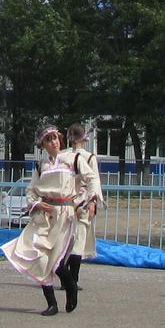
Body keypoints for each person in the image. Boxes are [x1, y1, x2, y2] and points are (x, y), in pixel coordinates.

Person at [1, 124, 100, 316]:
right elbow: (31, 190)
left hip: (65, 214)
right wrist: (37, 203)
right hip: (44, 216)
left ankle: (71, 285)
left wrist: (89, 198)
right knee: (40, 258)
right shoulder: (41, 165)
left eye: (55, 138)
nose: (53, 142)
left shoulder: (73, 159)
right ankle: (52, 304)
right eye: (49, 139)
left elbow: (92, 178)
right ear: (42, 144)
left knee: (56, 261)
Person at [65, 123, 104, 291]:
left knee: (65, 240)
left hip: (65, 202)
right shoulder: (89, 158)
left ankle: (63, 276)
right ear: (84, 139)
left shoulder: (62, 156)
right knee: (78, 242)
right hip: (82, 203)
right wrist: (94, 202)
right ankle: (72, 280)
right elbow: (94, 182)